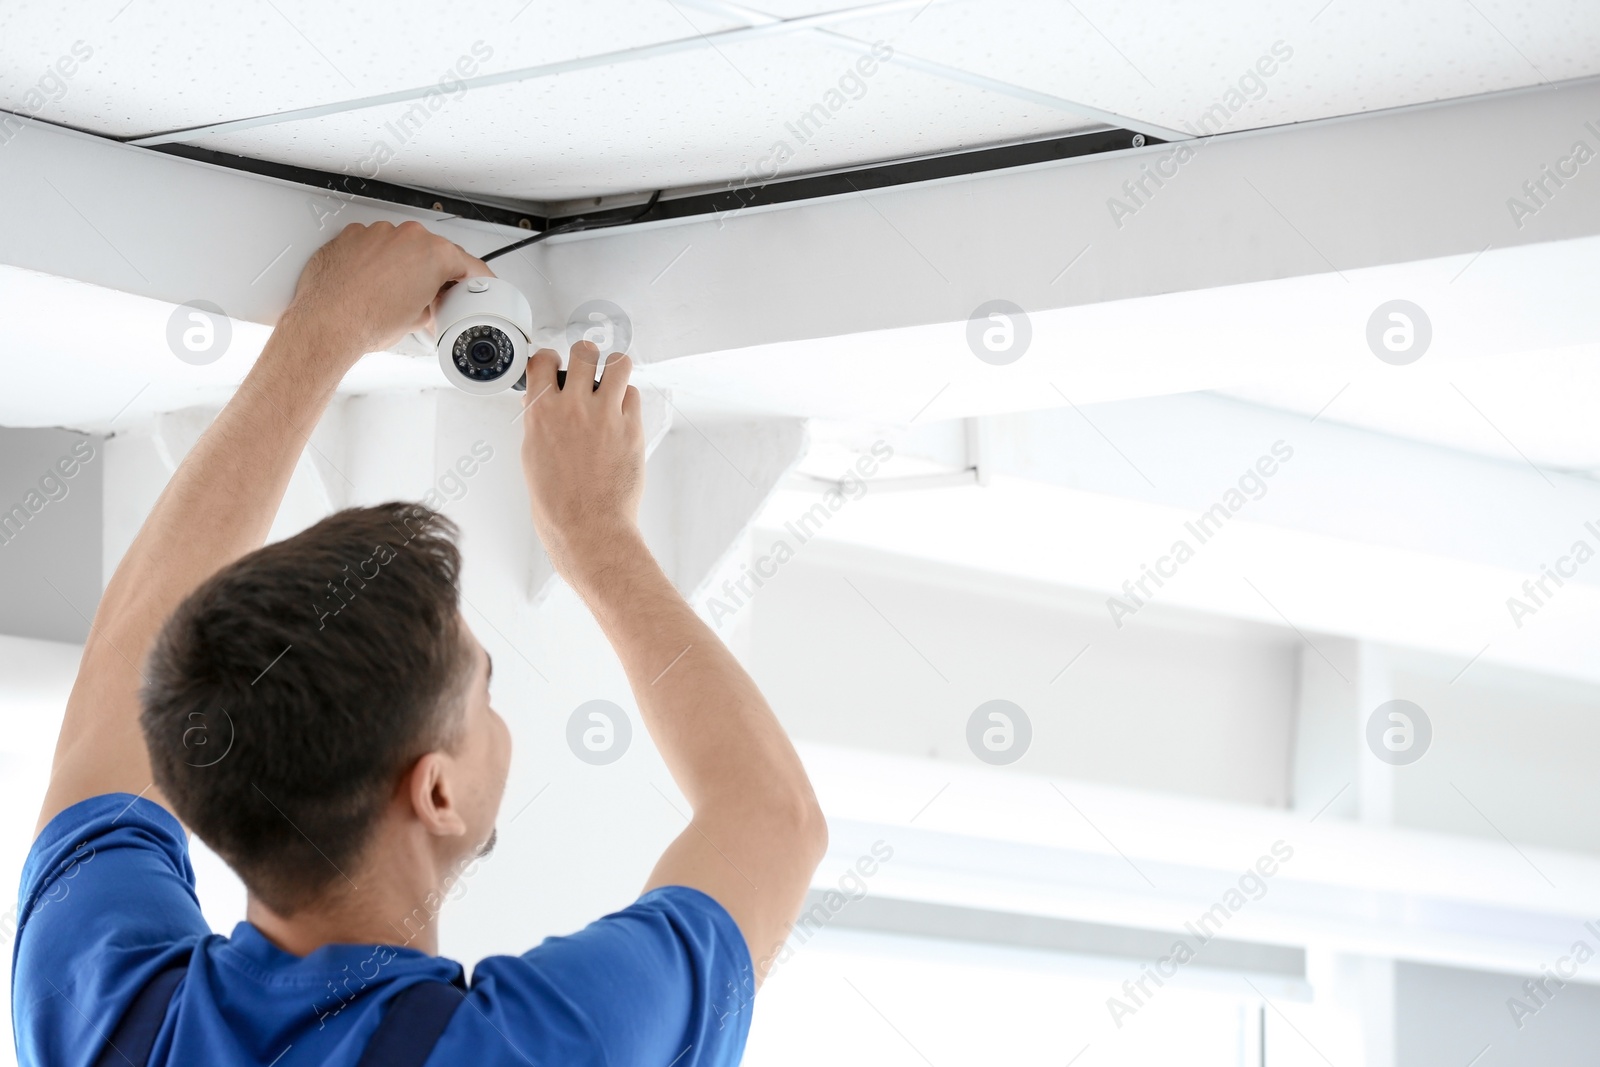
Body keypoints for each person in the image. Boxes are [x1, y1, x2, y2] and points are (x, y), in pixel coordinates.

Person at [12, 221, 828, 1066]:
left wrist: (320, 331)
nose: (496, 715)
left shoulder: (103, 1007)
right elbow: (771, 818)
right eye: (484, 690)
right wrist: (592, 529)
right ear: (435, 790)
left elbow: (113, 700)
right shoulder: (525, 1046)